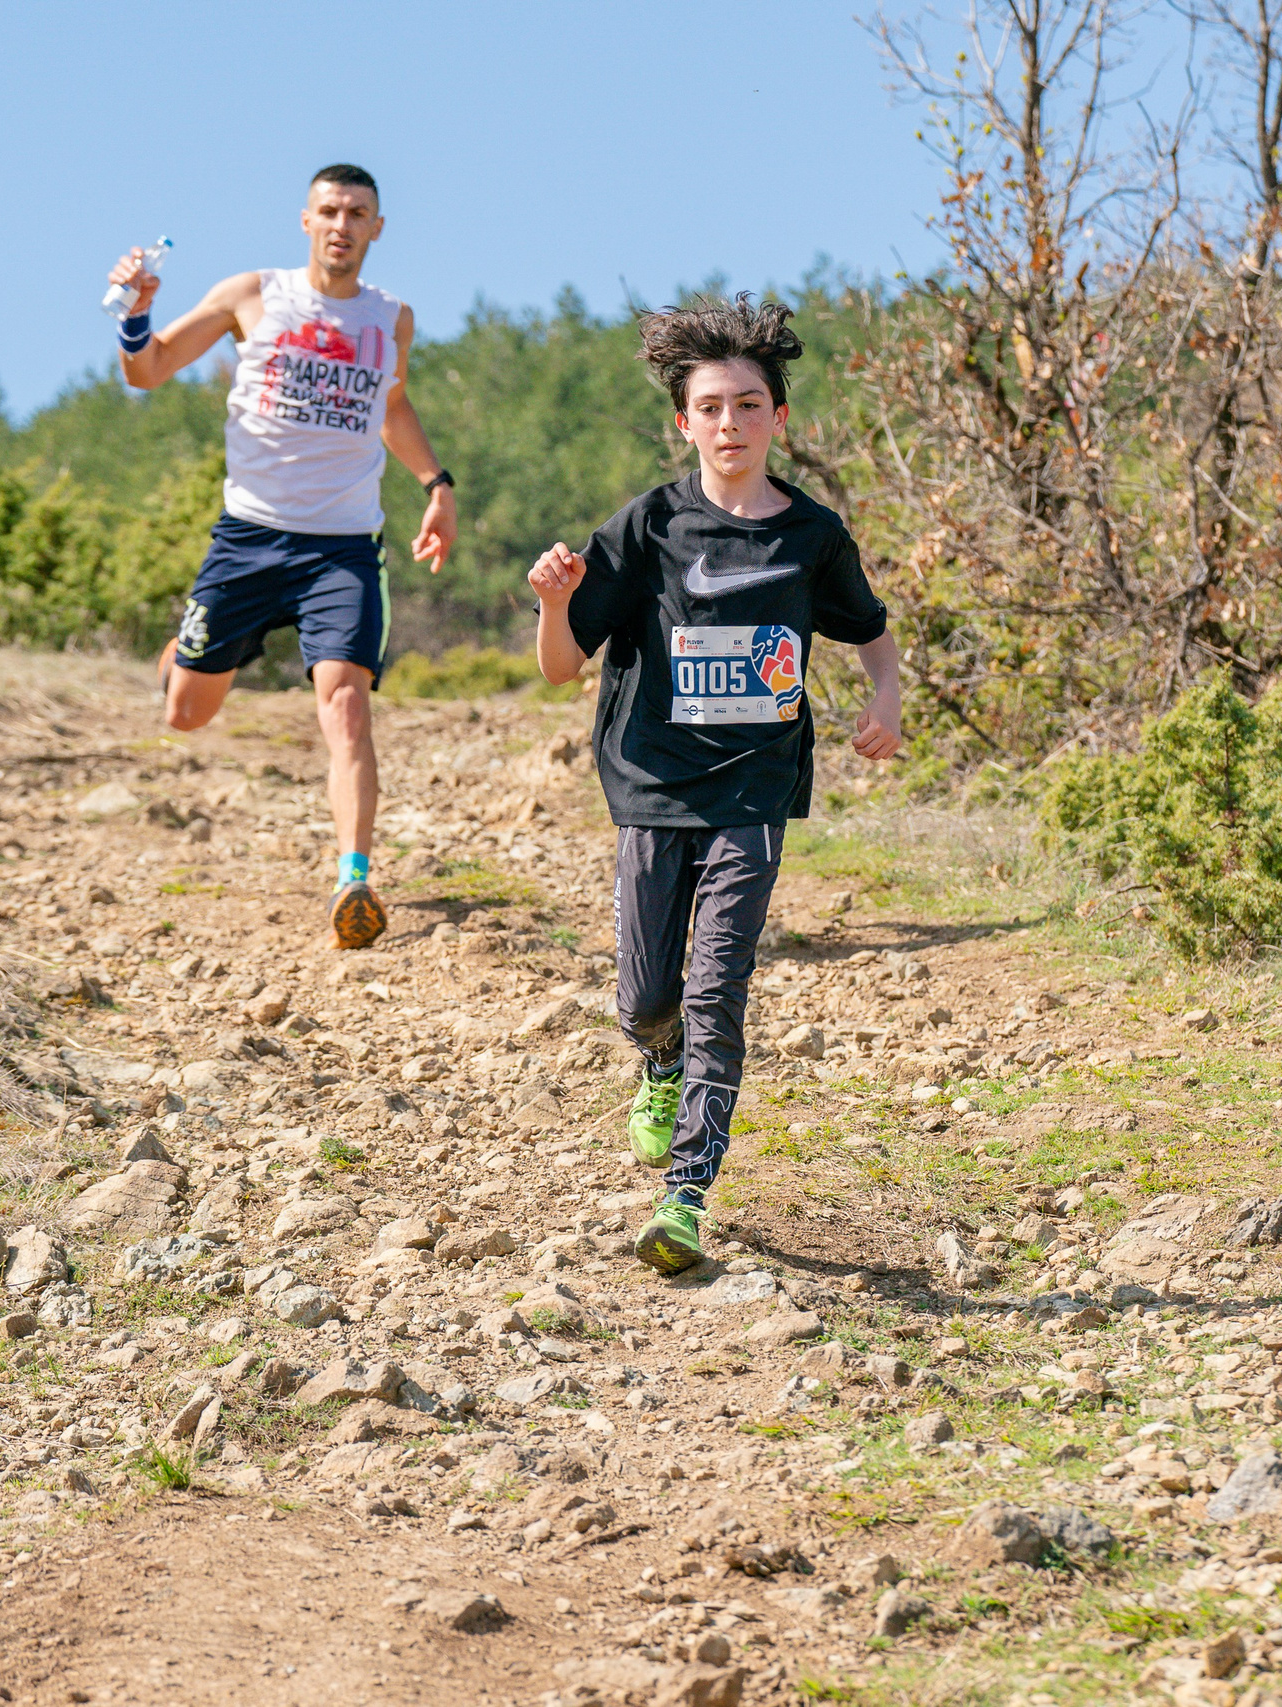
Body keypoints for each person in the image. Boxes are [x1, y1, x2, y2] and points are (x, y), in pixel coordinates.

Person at [527, 296, 903, 1277]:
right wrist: (555, 604)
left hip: (753, 790)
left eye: (747, 405)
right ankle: (655, 1062)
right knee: (649, 995)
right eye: (710, 407)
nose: (729, 424)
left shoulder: (811, 535)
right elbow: (561, 668)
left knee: (715, 988)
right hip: (652, 785)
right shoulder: (647, 527)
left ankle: (685, 1194)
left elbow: (868, 629)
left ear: (777, 418)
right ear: (684, 422)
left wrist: (887, 700)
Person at [106, 164, 458, 951]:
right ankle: (180, 655)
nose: (342, 224)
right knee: (187, 715)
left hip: (343, 549)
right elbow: (148, 370)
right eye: (329, 210)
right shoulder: (251, 295)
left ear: (376, 228)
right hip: (249, 539)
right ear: (306, 221)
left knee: (347, 702)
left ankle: (354, 878)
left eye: (357, 213)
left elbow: (391, 404)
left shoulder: (391, 318)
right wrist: (139, 313)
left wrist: (435, 483)